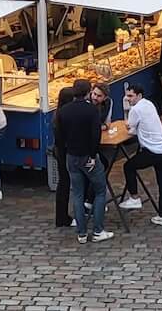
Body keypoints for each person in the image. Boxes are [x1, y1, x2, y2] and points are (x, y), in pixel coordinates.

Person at [57, 79, 114, 243]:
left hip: (71, 156)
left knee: (77, 194)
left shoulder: (63, 111)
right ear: (88, 92)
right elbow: (95, 135)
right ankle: (97, 230)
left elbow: (60, 136)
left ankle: (81, 233)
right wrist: (92, 155)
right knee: (100, 191)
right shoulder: (91, 111)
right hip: (87, 157)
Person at [119, 84, 162, 225]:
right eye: (127, 95)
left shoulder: (135, 110)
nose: (128, 99)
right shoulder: (149, 104)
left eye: (131, 96)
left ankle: (134, 197)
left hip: (153, 151)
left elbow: (130, 127)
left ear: (139, 96)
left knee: (128, 167)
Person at [52, 85, 81, 228]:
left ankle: (61, 216)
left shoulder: (58, 115)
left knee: (63, 183)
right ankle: (63, 218)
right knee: (65, 184)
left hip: (60, 151)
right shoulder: (64, 117)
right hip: (64, 153)